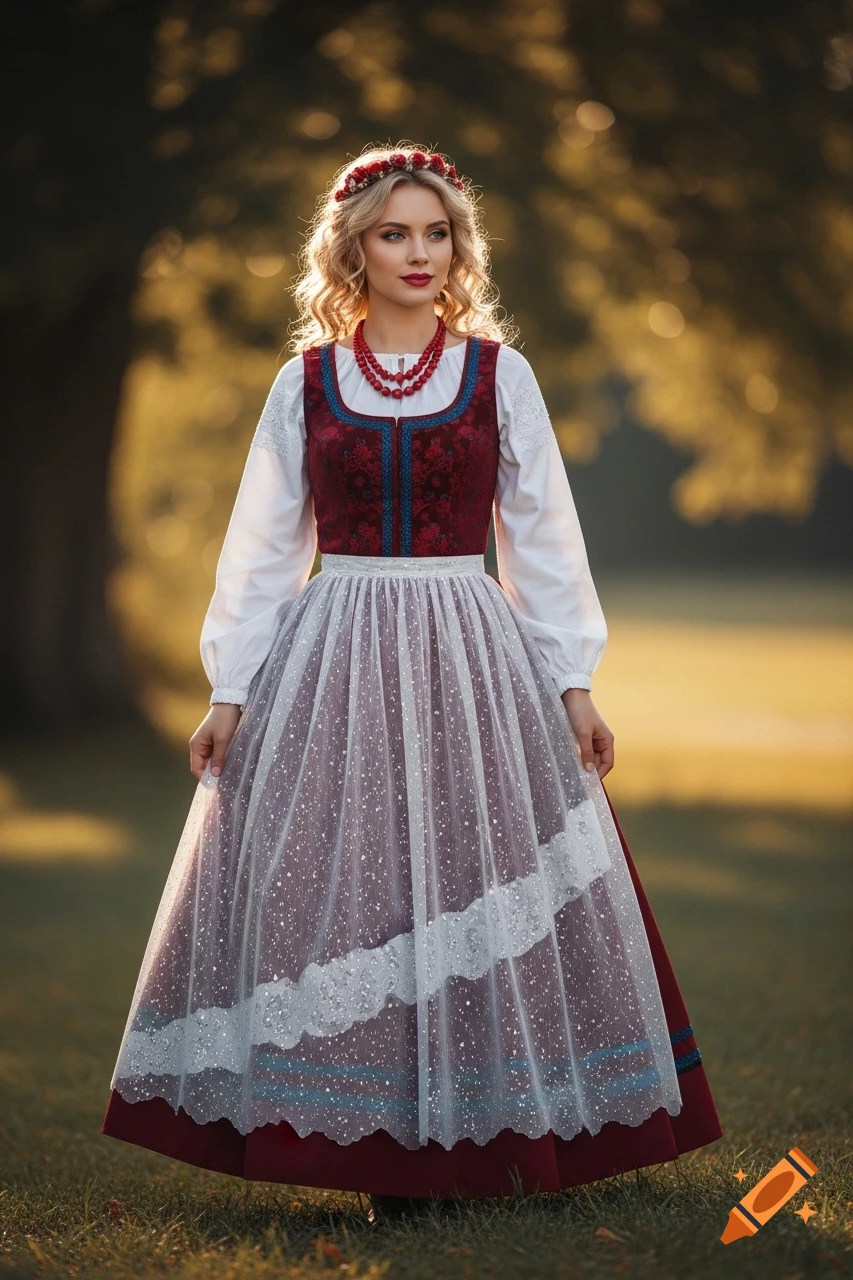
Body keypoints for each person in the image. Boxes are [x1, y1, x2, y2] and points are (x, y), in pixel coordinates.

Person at [101, 143, 722, 1218]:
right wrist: (227, 690)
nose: (418, 251)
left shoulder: (497, 375)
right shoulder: (303, 384)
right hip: (331, 641)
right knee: (344, 885)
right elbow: (256, 549)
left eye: (435, 232)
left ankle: (483, 1138)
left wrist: (572, 679)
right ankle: (367, 1139)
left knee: (469, 868)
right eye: (394, 232)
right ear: (354, 247)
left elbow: (540, 535)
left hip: (467, 642)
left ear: (458, 247)